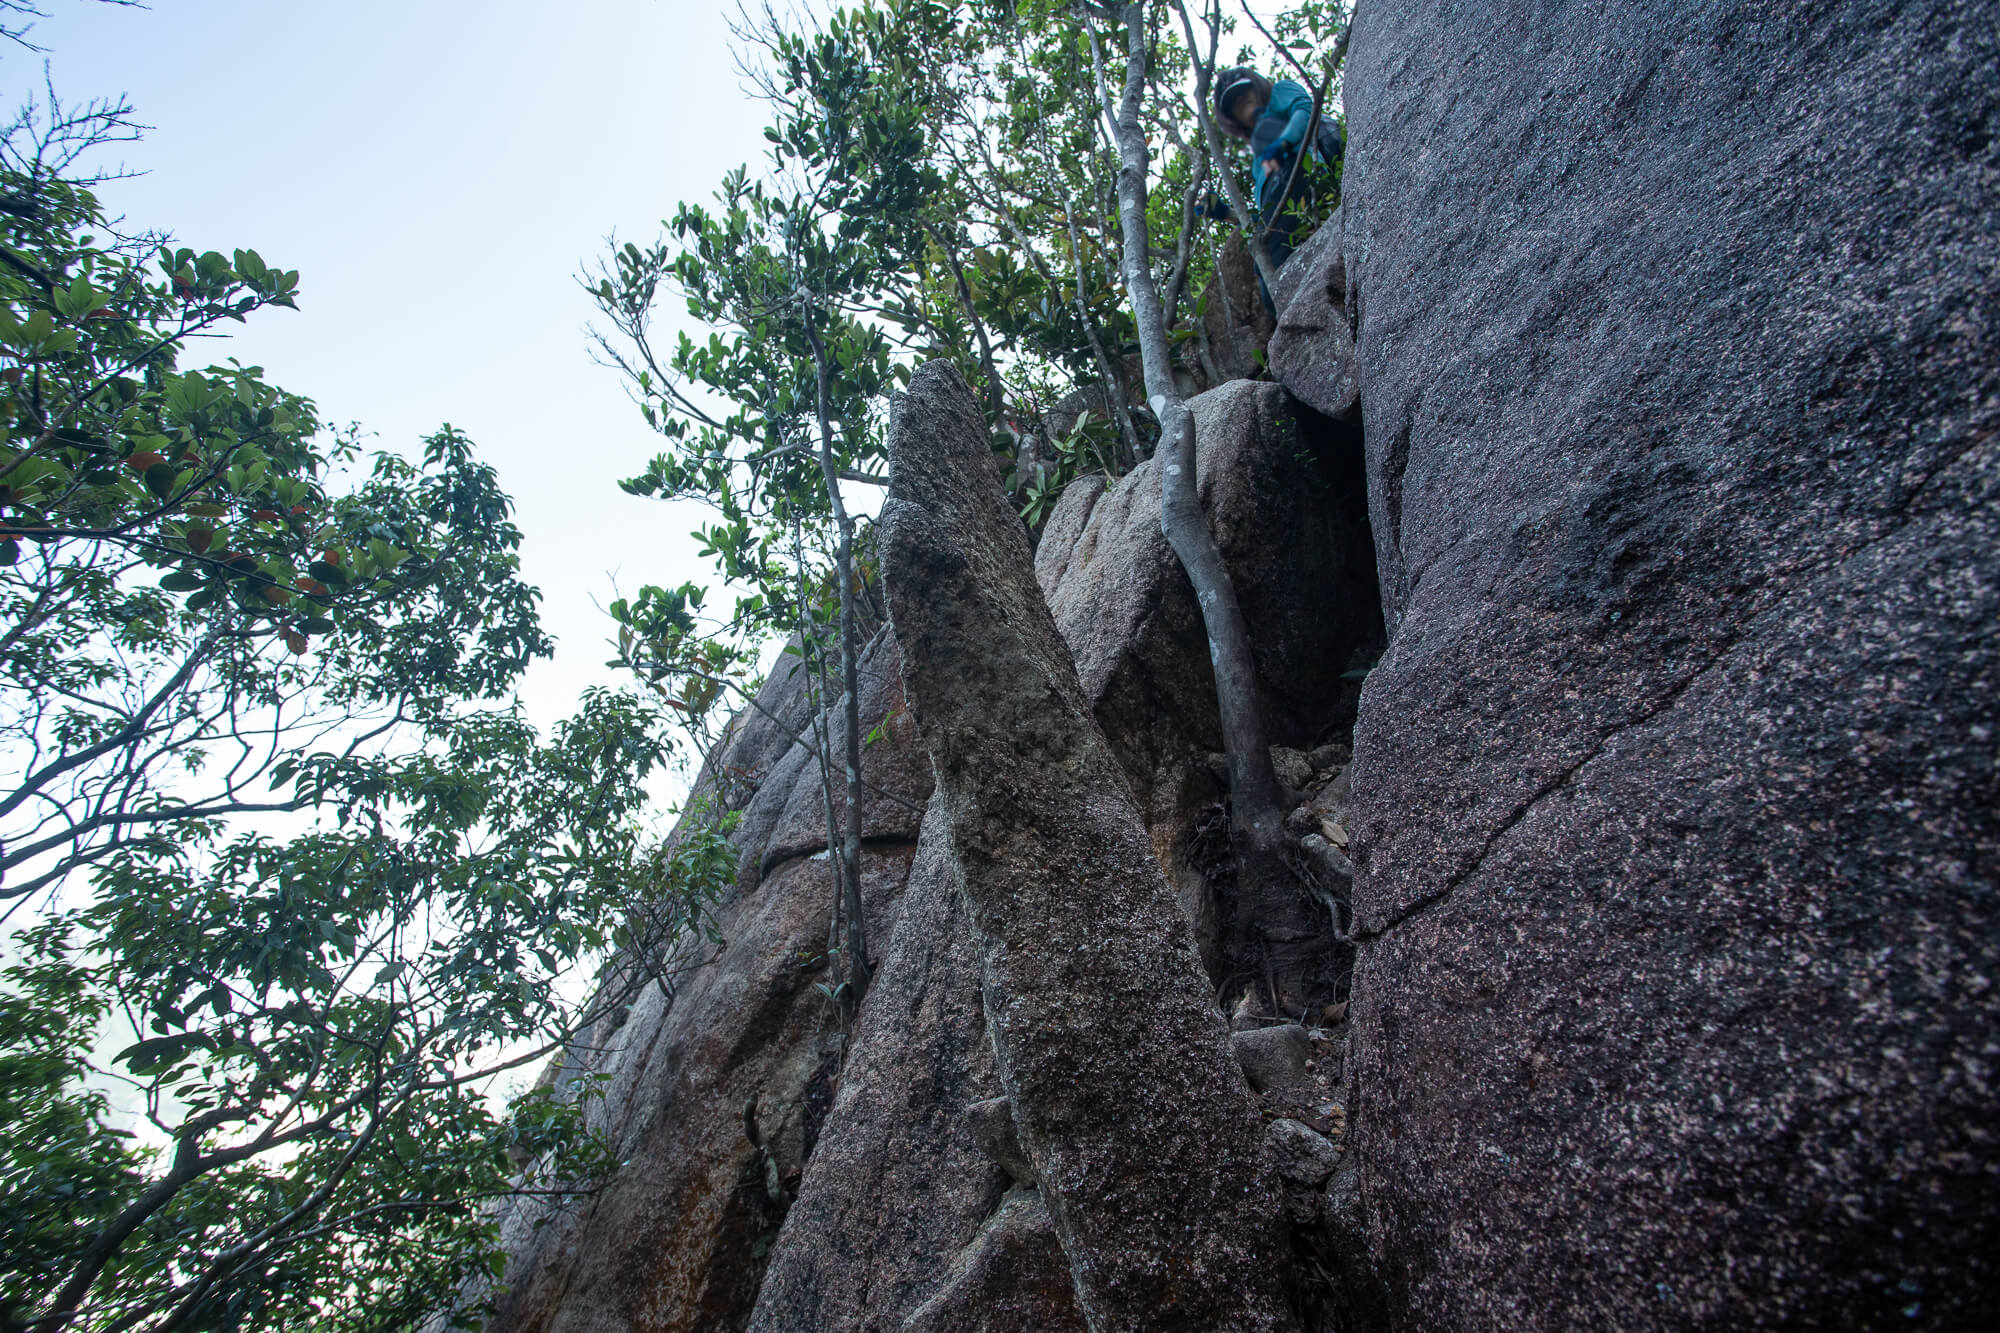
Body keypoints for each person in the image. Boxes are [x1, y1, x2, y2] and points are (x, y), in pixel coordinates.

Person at [1212, 67, 1345, 273]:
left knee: (1264, 131)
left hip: (1308, 177)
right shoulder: (1259, 164)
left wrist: (1283, 143)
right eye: (1232, 103)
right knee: (1264, 268)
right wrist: (1225, 212)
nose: (1240, 100)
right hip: (1292, 222)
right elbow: (1269, 221)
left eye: (1243, 91)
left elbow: (1305, 109)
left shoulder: (1279, 94)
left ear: (1256, 86)